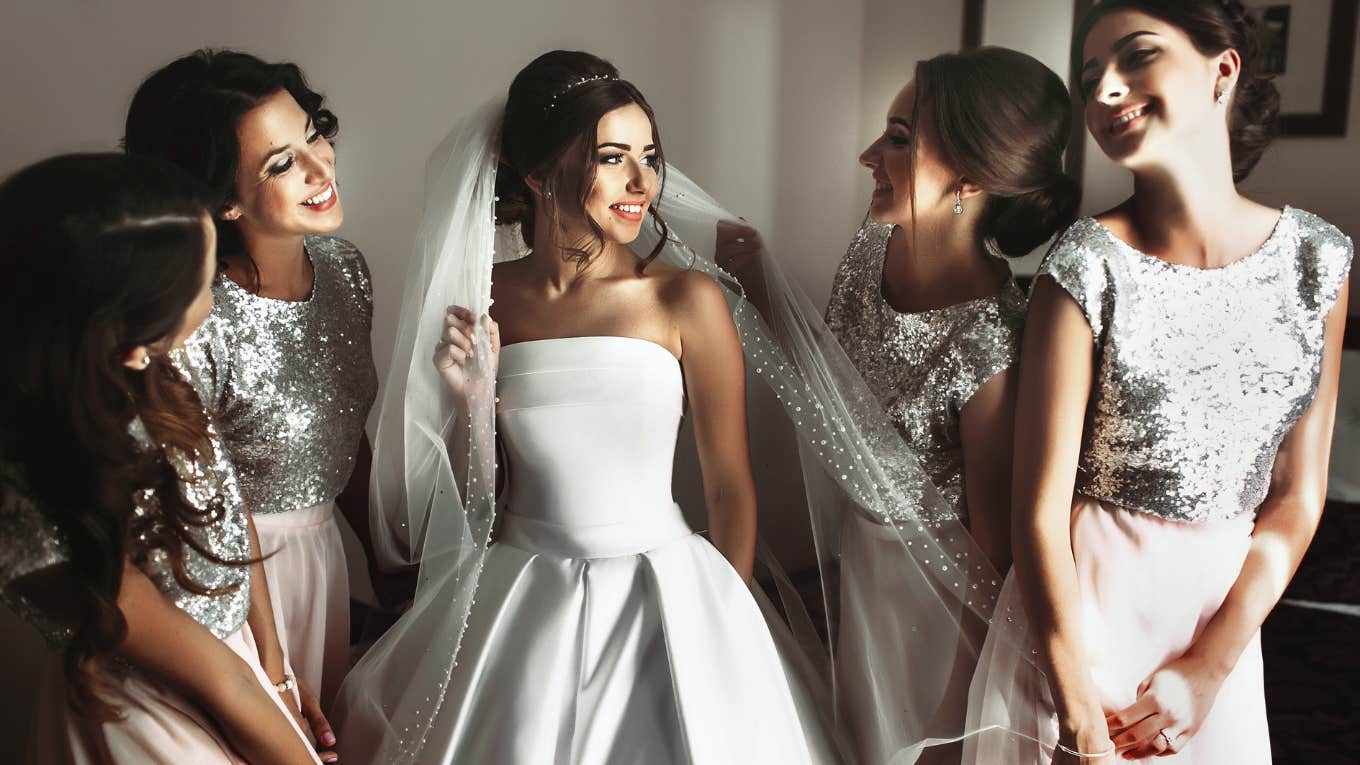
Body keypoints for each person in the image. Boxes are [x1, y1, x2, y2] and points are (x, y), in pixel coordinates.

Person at [966, 2, 1351, 762]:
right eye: (1090, 77)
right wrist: (1076, 712)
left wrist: (1213, 665)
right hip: (1086, 629)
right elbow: (1036, 513)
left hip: (1220, 637)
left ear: (1223, 69)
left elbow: (1298, 499)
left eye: (1136, 56)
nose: (1106, 88)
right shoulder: (1084, 264)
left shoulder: (1319, 263)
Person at [0, 152, 333, 764]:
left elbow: (231, 519)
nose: (218, 295)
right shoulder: (41, 500)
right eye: (205, 283)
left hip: (237, 677)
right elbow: (211, 679)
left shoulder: (157, 381)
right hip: (148, 724)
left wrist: (276, 671)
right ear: (129, 337)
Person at [124, 49, 380, 707]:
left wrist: (383, 562)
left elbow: (345, 432)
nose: (322, 168)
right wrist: (266, 657)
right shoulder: (191, 315)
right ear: (222, 200)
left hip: (323, 567)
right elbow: (190, 498)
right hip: (224, 582)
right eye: (281, 163)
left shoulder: (346, 272)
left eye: (314, 134)